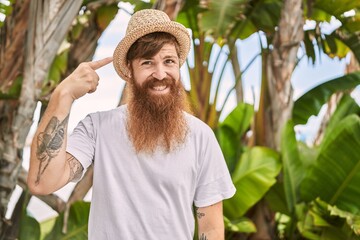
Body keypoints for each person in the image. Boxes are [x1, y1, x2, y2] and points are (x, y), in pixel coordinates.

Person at [27, 9, 236, 240]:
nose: (160, 73)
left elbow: (212, 228)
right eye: (147, 62)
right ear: (129, 70)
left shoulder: (200, 136)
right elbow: (41, 183)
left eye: (169, 61)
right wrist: (63, 95)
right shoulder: (97, 128)